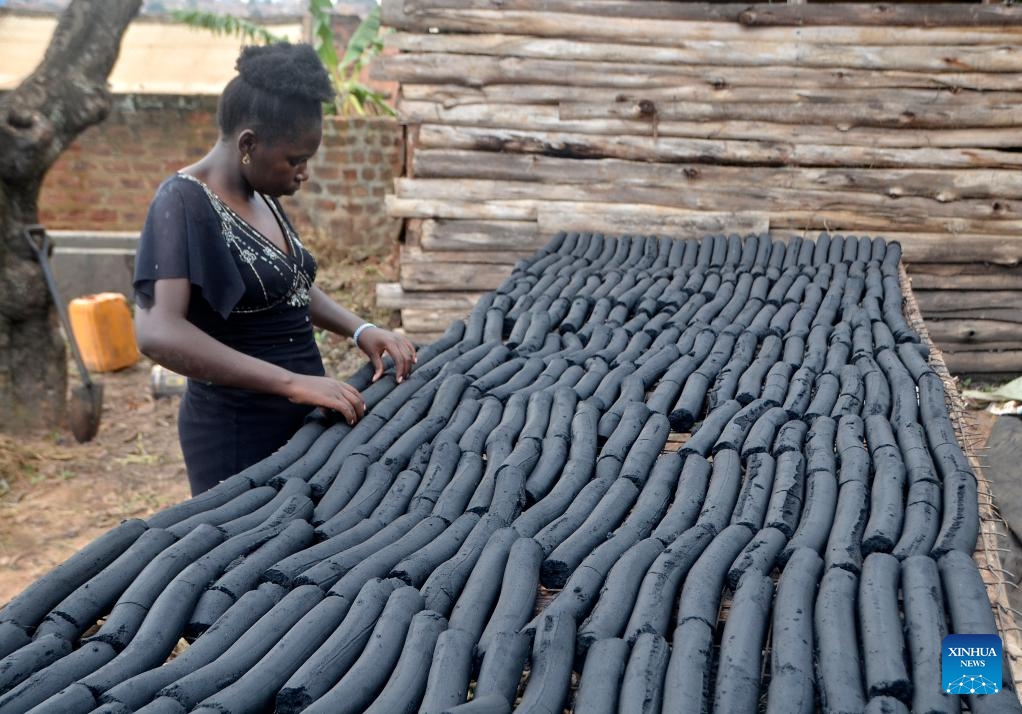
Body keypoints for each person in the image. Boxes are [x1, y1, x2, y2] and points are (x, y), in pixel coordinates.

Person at [133, 42, 416, 496]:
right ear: (249, 144)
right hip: (238, 431)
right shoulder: (182, 202)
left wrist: (361, 329)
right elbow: (156, 332)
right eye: (296, 159)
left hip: (299, 418)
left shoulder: (260, 195)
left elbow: (288, 288)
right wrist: (290, 383)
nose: (303, 173)